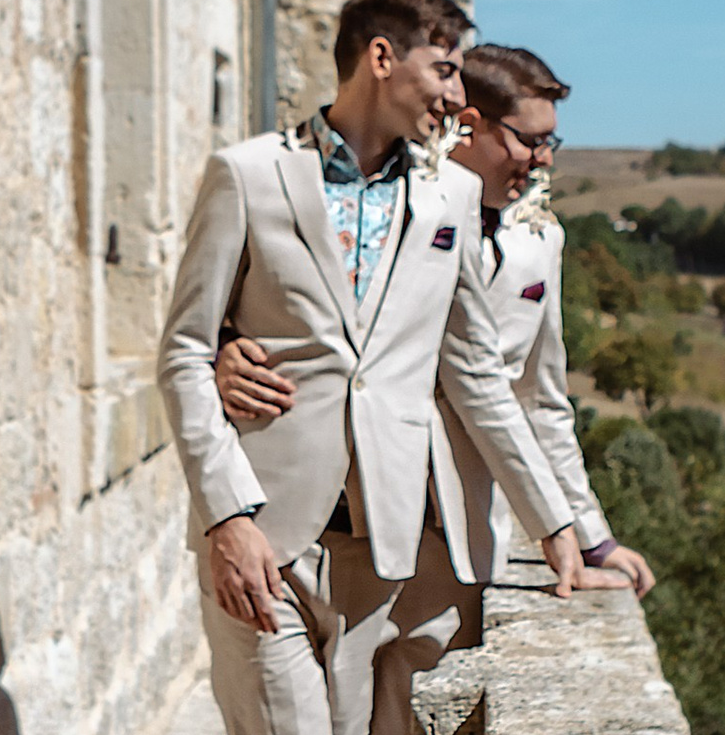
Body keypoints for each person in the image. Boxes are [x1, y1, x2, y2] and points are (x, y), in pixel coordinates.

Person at [88, 0, 584, 735]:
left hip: (389, 554)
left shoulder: (451, 197)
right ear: (381, 56)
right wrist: (224, 511)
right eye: (445, 70)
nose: (456, 95)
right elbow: (178, 347)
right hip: (263, 542)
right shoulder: (251, 175)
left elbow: (476, 376)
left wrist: (562, 527)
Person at [216, 39, 656, 627]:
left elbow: (541, 403)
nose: (545, 160)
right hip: (339, 518)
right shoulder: (374, 212)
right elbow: (302, 314)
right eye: (530, 140)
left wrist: (593, 539)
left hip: (466, 534)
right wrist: (222, 347)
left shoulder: (540, 243)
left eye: (552, 143)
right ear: (468, 126)